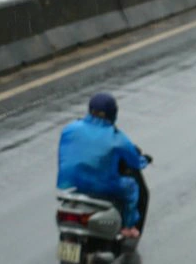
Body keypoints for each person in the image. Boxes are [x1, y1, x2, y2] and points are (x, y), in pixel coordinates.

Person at [56, 91, 153, 242]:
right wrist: (145, 160)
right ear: (113, 113)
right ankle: (128, 227)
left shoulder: (70, 128)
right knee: (133, 188)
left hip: (74, 183)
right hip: (104, 185)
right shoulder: (116, 138)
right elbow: (135, 162)